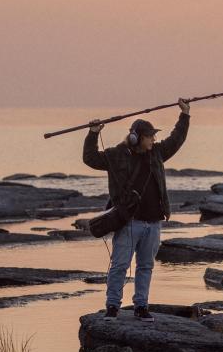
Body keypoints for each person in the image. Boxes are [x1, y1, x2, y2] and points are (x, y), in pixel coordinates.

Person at [82, 99, 191, 321]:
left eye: (154, 136)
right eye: (150, 136)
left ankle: (141, 306)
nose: (154, 139)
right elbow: (90, 158)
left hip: (154, 222)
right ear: (136, 138)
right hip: (129, 222)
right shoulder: (116, 155)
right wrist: (93, 133)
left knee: (146, 266)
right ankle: (112, 306)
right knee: (120, 265)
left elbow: (176, 140)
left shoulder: (157, 153)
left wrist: (185, 115)